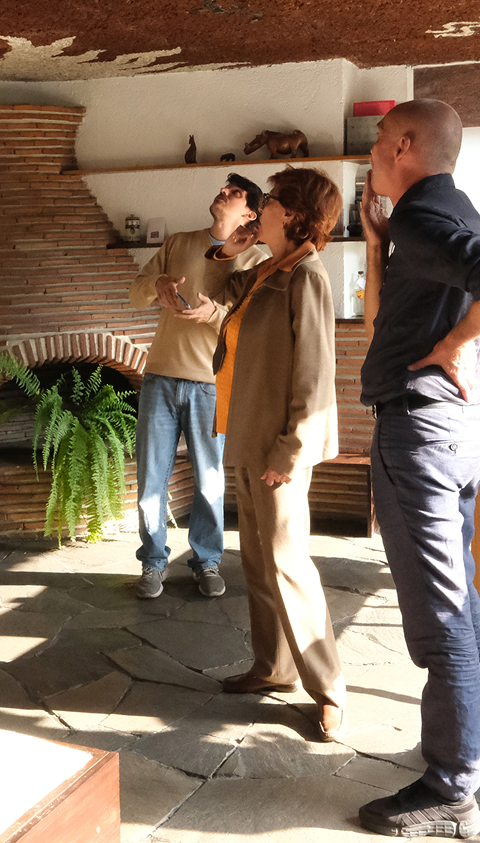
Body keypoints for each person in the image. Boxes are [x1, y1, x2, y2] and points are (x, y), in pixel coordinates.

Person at [357, 100, 480, 839]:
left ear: (403, 144)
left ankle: (450, 788)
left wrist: (457, 343)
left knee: (440, 616)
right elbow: (388, 323)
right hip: (456, 429)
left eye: (374, 139)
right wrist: (375, 247)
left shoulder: (424, 217)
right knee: (459, 594)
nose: (369, 151)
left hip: (422, 430)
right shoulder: (439, 212)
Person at [181, 167, 348, 742]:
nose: (260, 208)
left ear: (296, 214)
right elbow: (216, 292)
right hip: (247, 433)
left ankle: (329, 690)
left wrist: (293, 448)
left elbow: (315, 374)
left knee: (287, 563)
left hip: (278, 446)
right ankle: (273, 666)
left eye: (270, 201)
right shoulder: (268, 269)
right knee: (255, 559)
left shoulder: (306, 277)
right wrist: (232, 243)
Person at [129, 174, 266, 599]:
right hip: (159, 379)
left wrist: (213, 314)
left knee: (210, 481)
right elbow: (135, 293)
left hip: (211, 385)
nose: (222, 192)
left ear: (249, 214)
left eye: (235, 192)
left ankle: (206, 561)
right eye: (223, 187)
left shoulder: (257, 258)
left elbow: (251, 326)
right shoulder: (178, 243)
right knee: (151, 477)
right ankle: (152, 563)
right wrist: (158, 286)